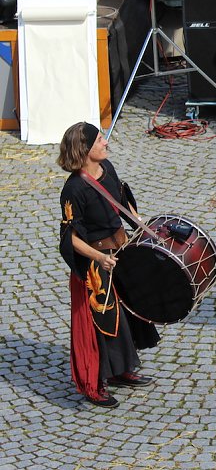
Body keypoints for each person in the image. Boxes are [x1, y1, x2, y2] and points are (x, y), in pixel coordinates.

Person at [58, 122, 160, 408]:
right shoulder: (74, 189)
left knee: (127, 315)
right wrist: (99, 257)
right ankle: (94, 384)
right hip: (96, 264)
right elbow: (71, 238)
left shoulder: (108, 169)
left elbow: (122, 203)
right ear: (85, 149)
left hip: (120, 252)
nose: (106, 142)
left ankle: (120, 371)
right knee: (101, 323)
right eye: (100, 139)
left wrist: (141, 226)